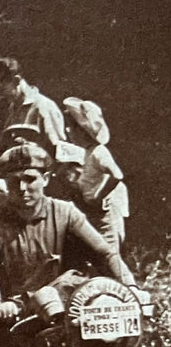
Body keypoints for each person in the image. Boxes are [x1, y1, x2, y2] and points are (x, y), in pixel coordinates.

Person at [0, 142, 135, 347]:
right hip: (11, 321)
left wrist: (131, 287)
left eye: (30, 179)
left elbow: (105, 253)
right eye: (13, 181)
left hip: (66, 316)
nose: (22, 188)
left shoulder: (65, 212)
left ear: (46, 178)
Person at [58, 96, 128, 249]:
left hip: (103, 214)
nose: (68, 132)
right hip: (91, 211)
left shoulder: (98, 152)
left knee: (108, 252)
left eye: (72, 128)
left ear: (83, 131)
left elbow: (117, 175)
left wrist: (99, 195)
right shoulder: (88, 152)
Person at [0, 57, 66, 155]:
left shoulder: (43, 106)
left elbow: (61, 151)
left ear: (16, 80)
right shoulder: (13, 108)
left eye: (2, 91)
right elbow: (5, 145)